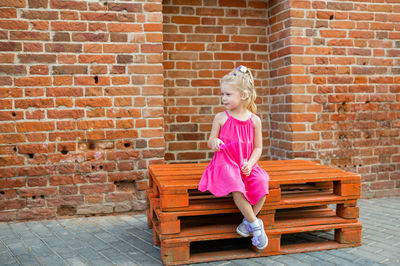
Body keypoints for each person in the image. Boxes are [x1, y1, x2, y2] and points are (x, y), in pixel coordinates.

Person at [198, 65, 269, 250]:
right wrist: (214, 142)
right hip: (225, 163)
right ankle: (256, 226)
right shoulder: (221, 117)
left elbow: (258, 147)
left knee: (263, 181)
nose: (223, 98)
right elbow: (211, 140)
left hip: (245, 162)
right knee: (236, 185)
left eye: (228, 94)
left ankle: (247, 221)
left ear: (243, 96)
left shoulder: (255, 120)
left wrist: (251, 163)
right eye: (223, 94)